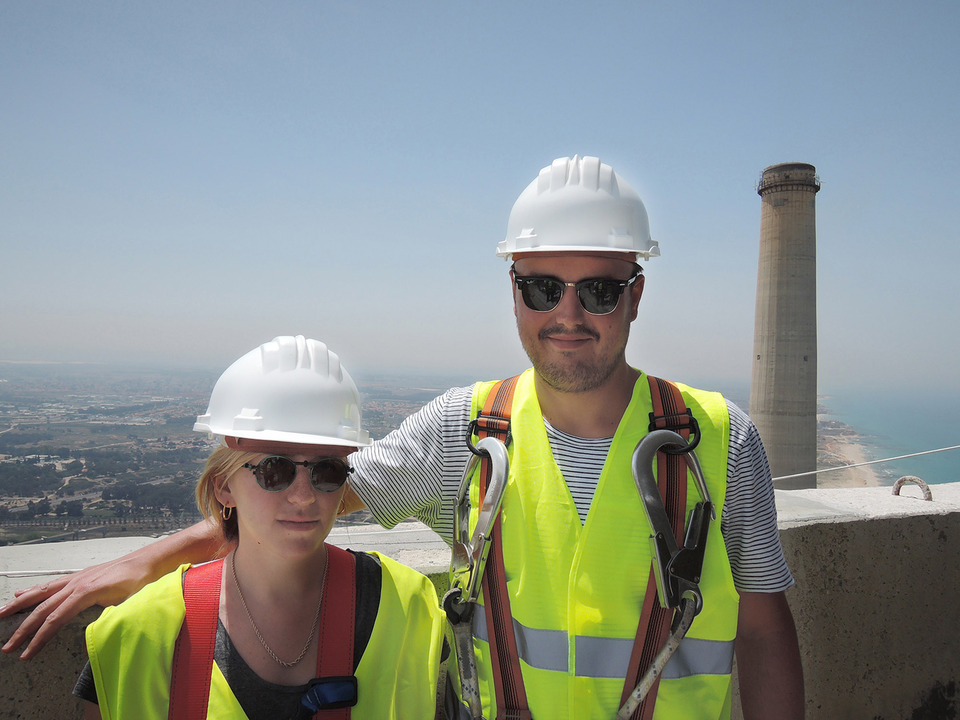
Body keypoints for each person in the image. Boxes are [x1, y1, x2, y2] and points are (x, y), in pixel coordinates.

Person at [3, 156, 802, 719]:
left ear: (636, 296)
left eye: (598, 288)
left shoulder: (716, 442)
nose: (568, 314)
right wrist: (147, 559)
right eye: (541, 287)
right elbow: (300, 489)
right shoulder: (468, 428)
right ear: (513, 291)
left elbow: (765, 631)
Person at [70, 335, 445, 719]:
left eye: (327, 471)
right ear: (224, 486)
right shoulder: (138, 634)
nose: (303, 496)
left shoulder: (409, 606)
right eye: (274, 470)